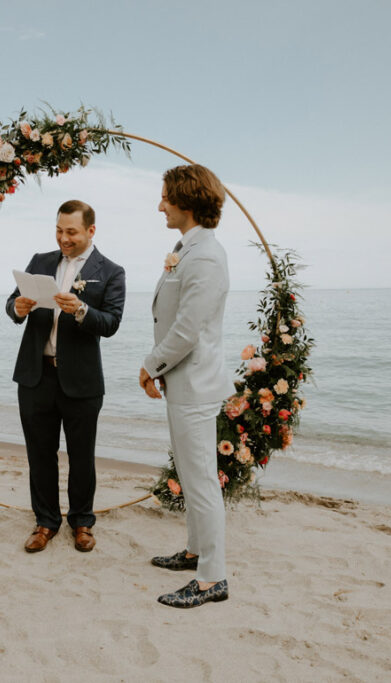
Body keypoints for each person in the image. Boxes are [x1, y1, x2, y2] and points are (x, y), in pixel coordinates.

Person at [6, 200, 125, 553]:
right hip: (35, 375)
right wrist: (18, 307)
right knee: (40, 454)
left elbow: (112, 323)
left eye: (71, 232)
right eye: (59, 230)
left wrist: (83, 310)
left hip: (82, 381)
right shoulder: (40, 261)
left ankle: (82, 522)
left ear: (90, 230)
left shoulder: (111, 271)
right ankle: (45, 522)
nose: (63, 238)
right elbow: (12, 302)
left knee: (82, 456)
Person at [139, 164, 231, 608]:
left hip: (194, 383)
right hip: (182, 381)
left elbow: (187, 329)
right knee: (192, 475)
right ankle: (195, 551)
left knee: (200, 483)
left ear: (187, 200)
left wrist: (150, 364)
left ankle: (212, 578)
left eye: (165, 198)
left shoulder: (207, 257)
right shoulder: (186, 250)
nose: (160, 205)